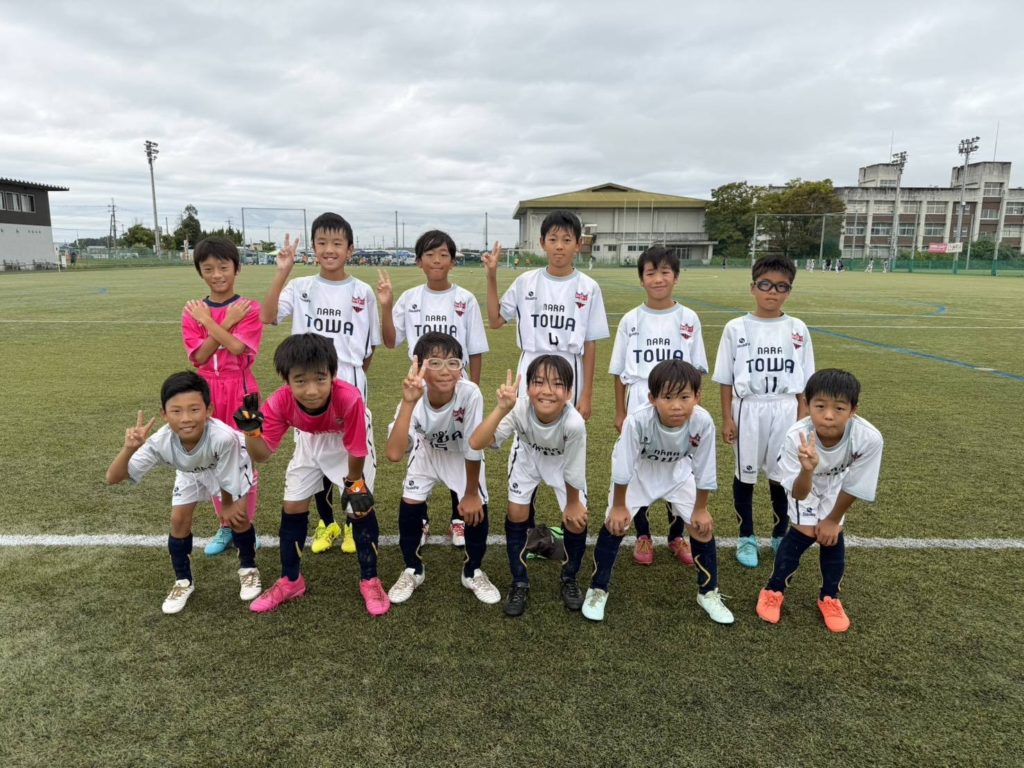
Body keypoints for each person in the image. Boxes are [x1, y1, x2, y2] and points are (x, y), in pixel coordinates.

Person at [235, 333, 388, 615]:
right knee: (292, 505)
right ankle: (290, 581)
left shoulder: (349, 398)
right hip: (309, 438)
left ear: (332, 375)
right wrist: (252, 431)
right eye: (300, 381)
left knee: (359, 508)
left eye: (320, 378)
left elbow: (357, 448)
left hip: (346, 443)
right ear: (287, 380)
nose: (312, 390)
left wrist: (355, 484)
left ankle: (370, 580)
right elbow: (262, 455)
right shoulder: (280, 402)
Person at [260, 213, 380, 558]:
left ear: (350, 249)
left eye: (337, 243)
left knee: (354, 457)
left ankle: (354, 522)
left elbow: (368, 348)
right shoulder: (301, 287)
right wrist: (282, 272)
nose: (329, 249)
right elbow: (268, 316)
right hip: (306, 389)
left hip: (348, 386)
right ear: (313, 248)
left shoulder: (362, 291)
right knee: (313, 457)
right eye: (322, 242)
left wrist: (351, 379)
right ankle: (328, 523)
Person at [582, 360, 732, 624]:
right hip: (640, 471)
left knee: (701, 528)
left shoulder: (703, 422)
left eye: (684, 397)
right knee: (615, 524)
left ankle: (708, 593)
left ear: (698, 396)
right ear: (652, 398)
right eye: (668, 397)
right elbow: (624, 466)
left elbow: (705, 468)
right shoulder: (637, 421)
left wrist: (701, 509)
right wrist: (619, 506)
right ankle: (598, 589)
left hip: (677, 470)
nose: (676, 405)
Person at [105, 371, 261, 615]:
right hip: (190, 472)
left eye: (194, 409)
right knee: (178, 520)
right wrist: (128, 449)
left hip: (230, 464)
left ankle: (249, 568)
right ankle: (183, 582)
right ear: (164, 414)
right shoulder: (160, 441)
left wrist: (228, 505)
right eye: (176, 411)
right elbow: (113, 478)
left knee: (237, 518)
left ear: (209, 410)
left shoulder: (224, 438)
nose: (186, 418)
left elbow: (228, 476)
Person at [378, 230, 489, 547]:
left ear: (453, 261)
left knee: (461, 445)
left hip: (456, 384)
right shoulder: (410, 298)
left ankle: (458, 519)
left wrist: (472, 388)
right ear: (418, 261)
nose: (437, 260)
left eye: (443, 254)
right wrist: (386, 306)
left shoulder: (465, 299)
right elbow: (390, 341)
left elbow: (475, 349)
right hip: (421, 385)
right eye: (430, 254)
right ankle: (421, 519)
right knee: (422, 445)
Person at [755, 369, 883, 633]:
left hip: (838, 483)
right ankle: (773, 590)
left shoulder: (868, 438)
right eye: (820, 406)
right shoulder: (796, 436)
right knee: (804, 531)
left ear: (853, 410)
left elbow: (856, 484)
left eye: (839, 408)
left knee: (831, 535)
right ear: (806, 404)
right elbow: (799, 493)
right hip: (805, 482)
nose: (828, 415)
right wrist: (807, 470)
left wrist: (833, 520)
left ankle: (830, 597)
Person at [712, 255, 815, 569]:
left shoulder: (797, 328)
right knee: (745, 475)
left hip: (785, 407)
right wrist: (727, 418)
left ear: (789, 291)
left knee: (782, 475)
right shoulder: (736, 327)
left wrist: (802, 420)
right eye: (766, 284)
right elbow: (725, 379)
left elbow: (805, 383)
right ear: (753, 287)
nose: (773, 292)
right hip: (748, 407)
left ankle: (780, 534)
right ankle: (746, 536)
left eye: (781, 286)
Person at [608, 245, 708, 568]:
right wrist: (620, 412)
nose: (658, 279)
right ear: (641, 279)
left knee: (678, 461)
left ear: (676, 277)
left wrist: (693, 407)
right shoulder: (630, 319)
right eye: (651, 273)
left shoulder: (688, 318)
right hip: (641, 397)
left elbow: (698, 370)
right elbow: (619, 371)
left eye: (665, 272)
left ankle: (676, 535)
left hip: (679, 401)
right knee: (638, 464)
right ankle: (643, 534)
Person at [383, 333, 500, 606]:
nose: (446, 370)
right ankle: (413, 569)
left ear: (461, 368)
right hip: (427, 451)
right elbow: (394, 453)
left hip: (461, 454)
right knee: (410, 503)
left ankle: (473, 572)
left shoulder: (470, 393)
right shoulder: (413, 396)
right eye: (435, 363)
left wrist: (470, 493)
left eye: (453, 362)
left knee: (476, 509)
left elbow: (473, 446)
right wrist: (408, 402)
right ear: (419, 367)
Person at [469, 355, 589, 617]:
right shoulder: (519, 408)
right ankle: (520, 581)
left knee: (576, 521)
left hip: (562, 463)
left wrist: (572, 504)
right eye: (539, 382)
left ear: (569, 393)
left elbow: (573, 469)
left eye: (557, 384)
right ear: (528, 388)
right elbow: (477, 443)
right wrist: (501, 408)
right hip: (527, 457)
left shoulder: (574, 424)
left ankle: (569, 578)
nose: (547, 390)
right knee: (516, 514)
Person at [482, 209, 609, 421]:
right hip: (531, 364)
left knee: (566, 429)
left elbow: (590, 344)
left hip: (569, 366)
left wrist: (587, 394)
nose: (559, 246)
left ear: (578, 244)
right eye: (553, 239)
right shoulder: (525, 282)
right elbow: (495, 321)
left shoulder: (589, 287)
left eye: (567, 240)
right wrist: (492, 277)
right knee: (525, 426)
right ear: (542, 243)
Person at [182, 235, 263, 557]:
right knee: (213, 460)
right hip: (206, 392)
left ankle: (246, 526)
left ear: (236, 268)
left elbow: (238, 347)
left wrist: (212, 322)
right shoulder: (193, 311)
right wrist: (223, 322)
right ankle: (226, 525)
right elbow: (200, 357)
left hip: (240, 389)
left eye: (223, 267)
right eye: (208, 269)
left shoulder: (249, 308)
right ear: (200, 272)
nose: (217, 275)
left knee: (243, 459)